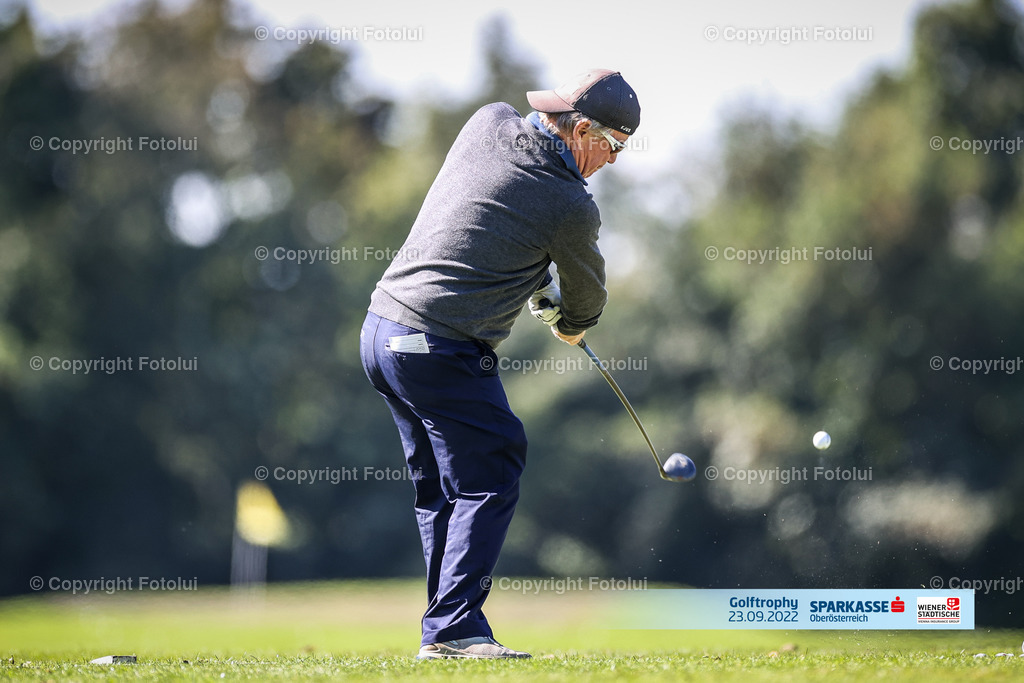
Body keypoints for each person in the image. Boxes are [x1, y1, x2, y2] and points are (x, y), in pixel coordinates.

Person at [359, 69, 640, 659]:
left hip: (381, 332)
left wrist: (530, 280)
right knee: (494, 467)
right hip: (437, 345)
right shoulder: (570, 204)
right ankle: (456, 630)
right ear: (582, 129)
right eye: (612, 146)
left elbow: (486, 212)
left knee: (441, 489)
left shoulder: (487, 121)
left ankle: (444, 632)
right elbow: (588, 295)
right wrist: (568, 322)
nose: (613, 161)